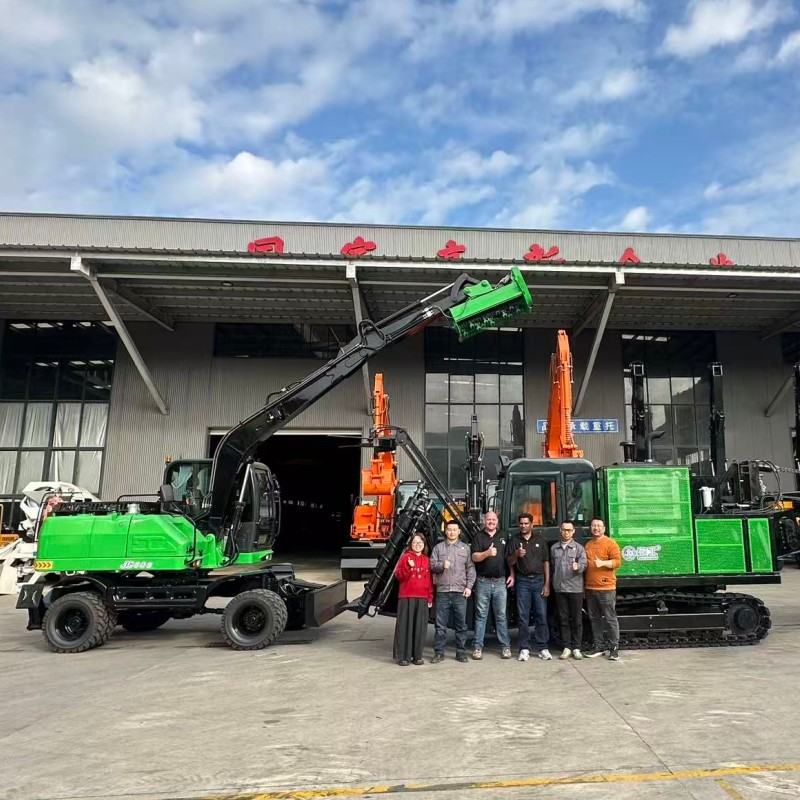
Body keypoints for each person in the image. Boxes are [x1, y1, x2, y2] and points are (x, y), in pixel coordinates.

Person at [507, 512, 552, 661]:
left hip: (539, 580)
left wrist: (546, 584)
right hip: (523, 582)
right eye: (521, 523)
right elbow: (509, 562)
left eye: (526, 523)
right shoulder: (514, 540)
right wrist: (516, 554)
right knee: (523, 616)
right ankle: (524, 648)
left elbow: (546, 562)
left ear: (532, 524)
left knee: (541, 615)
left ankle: (543, 647)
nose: (523, 526)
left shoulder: (540, 539)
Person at [430, 520, 476, 663]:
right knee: (440, 625)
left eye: (454, 529)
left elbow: (470, 568)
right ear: (445, 531)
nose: (451, 532)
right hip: (443, 591)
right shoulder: (438, 548)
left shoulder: (465, 549)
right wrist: (441, 565)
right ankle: (439, 653)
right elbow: (431, 566)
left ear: (459, 531)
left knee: (461, 624)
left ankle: (460, 652)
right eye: (449, 529)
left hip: (459, 592)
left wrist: (469, 586)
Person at [471, 511, 512, 660]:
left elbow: (509, 558)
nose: (491, 522)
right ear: (484, 521)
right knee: (481, 616)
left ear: (497, 521)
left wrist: (512, 574)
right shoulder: (479, 537)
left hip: (500, 582)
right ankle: (477, 648)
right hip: (483, 582)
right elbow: (474, 557)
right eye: (488, 519)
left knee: (501, 616)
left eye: (493, 519)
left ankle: (505, 647)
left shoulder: (504, 536)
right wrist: (487, 553)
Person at [583, 517, 622, 661]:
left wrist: (603, 563)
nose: (596, 528)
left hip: (606, 588)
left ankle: (614, 648)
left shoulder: (610, 543)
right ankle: (598, 646)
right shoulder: (588, 545)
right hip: (590, 588)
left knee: (610, 618)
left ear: (604, 528)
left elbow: (618, 562)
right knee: (594, 619)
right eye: (593, 525)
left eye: (599, 526)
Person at [393, 533, 434, 666]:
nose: (418, 545)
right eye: (415, 542)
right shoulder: (406, 557)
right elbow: (399, 576)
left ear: (424, 545)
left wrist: (430, 597)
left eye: (420, 543)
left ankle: (417, 656)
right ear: (411, 544)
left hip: (422, 598)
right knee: (405, 627)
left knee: (419, 628)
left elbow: (429, 581)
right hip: (407, 597)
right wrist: (408, 566)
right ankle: (403, 657)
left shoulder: (427, 560)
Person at [550, 520, 587, 660]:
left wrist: (579, 567)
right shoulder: (554, 548)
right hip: (560, 589)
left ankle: (577, 647)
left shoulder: (579, 548)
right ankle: (567, 647)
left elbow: (584, 563)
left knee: (577, 619)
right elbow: (553, 567)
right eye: (564, 530)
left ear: (573, 532)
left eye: (569, 530)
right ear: (560, 530)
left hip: (575, 588)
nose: (566, 532)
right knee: (563, 619)